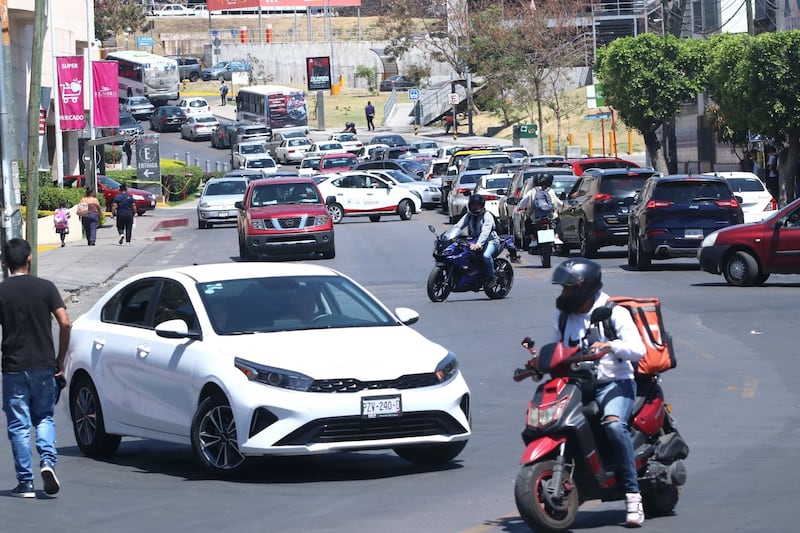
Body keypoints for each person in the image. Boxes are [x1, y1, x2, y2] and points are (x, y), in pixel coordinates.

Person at [550, 258, 646, 527]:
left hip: (614, 383)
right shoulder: (563, 316)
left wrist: (611, 346)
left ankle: (633, 497)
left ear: (583, 287)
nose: (563, 294)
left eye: (567, 289)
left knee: (614, 427)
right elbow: (557, 349)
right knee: (554, 424)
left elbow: (638, 350)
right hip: (578, 384)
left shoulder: (613, 312)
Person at [0, 238, 71, 498]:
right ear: (29, 259)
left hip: (13, 367)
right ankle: (48, 462)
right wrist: (60, 358)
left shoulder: (2, 291)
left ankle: (26, 483)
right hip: (44, 364)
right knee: (44, 417)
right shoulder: (46, 287)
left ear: (5, 262)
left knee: (18, 426)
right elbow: (65, 323)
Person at [444, 194, 501, 282]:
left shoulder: (487, 216)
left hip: (491, 241)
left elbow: (485, 232)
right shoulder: (469, 215)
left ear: (482, 205)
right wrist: (448, 236)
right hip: (474, 240)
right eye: (473, 205)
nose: (475, 207)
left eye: (477, 205)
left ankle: (492, 276)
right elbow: (458, 226)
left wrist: (478, 244)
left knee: (485, 256)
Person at [517, 173, 561, 252]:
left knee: (527, 223)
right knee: (557, 221)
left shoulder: (532, 191)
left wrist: (521, 208)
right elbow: (558, 203)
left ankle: (533, 240)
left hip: (535, 217)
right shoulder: (551, 191)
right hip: (550, 216)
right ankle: (556, 237)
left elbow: (523, 202)